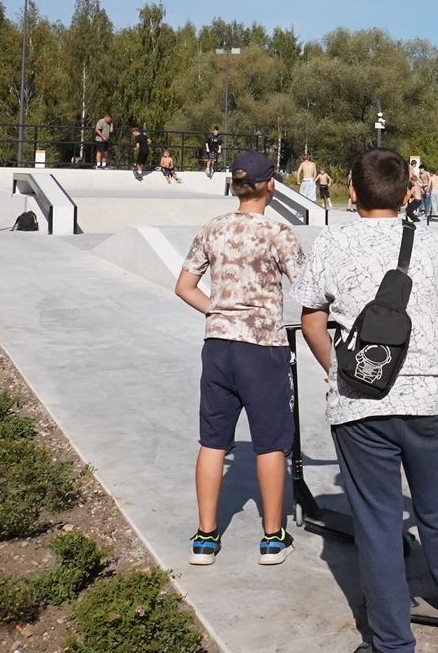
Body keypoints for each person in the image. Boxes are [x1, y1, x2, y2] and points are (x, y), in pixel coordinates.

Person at [296, 148, 438, 653]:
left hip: (360, 408)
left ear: (350, 192)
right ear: (409, 193)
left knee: (378, 522)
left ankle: (391, 640)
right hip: (426, 402)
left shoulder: (332, 243)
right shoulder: (428, 242)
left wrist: (335, 372)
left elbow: (311, 320)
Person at [172, 150, 306, 567]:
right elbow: (309, 286)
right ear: (271, 185)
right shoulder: (277, 232)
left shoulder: (212, 229)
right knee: (269, 443)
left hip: (218, 347)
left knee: (212, 441)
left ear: (235, 185)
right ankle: (271, 537)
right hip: (263, 347)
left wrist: (219, 310)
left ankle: (205, 537)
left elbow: (184, 286)